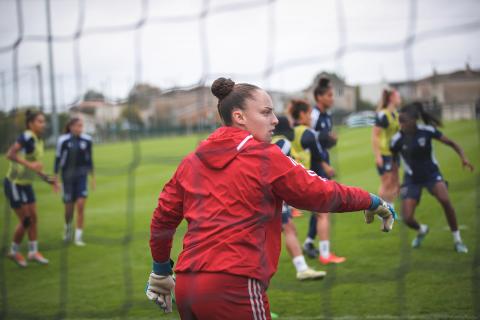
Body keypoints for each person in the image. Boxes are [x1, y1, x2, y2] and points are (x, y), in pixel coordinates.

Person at [145, 77, 396, 319]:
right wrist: (371, 200)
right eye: (266, 113)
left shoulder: (191, 161)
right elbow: (320, 194)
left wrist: (160, 270)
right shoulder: (264, 156)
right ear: (239, 117)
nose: (275, 120)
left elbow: (162, 220)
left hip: (187, 287)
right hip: (235, 284)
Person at [390, 102, 474, 252]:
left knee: (445, 200)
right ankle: (422, 230)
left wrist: (464, 158)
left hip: (431, 174)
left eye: (404, 120)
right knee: (407, 218)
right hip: (411, 179)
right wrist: (396, 183)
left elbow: (451, 143)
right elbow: (394, 162)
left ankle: (458, 240)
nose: (400, 124)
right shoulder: (396, 140)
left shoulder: (427, 131)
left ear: (414, 120)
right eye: (399, 120)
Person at [271, 115, 326, 281]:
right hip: (272, 194)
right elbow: (276, 168)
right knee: (287, 229)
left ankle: (301, 267)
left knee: (288, 229)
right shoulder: (283, 143)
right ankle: (302, 269)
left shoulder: (266, 142)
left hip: (270, 195)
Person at [4, 109, 57, 267]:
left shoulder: (38, 140)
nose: (43, 124)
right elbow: (10, 154)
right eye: (40, 121)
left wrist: (50, 180)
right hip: (14, 183)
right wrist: (30, 165)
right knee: (26, 220)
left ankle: (33, 252)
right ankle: (13, 251)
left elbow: (36, 168)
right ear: (30, 124)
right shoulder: (27, 136)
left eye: (44, 121)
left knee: (34, 219)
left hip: (27, 184)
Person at [303, 77, 345, 265]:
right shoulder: (314, 115)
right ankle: (323, 252)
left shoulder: (326, 115)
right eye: (329, 95)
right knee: (323, 206)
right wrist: (323, 164)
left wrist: (331, 139)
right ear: (319, 97)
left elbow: (322, 140)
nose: (332, 98)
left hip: (322, 161)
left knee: (320, 206)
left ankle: (310, 242)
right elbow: (308, 139)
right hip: (315, 164)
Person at [54, 117, 95, 246]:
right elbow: (58, 160)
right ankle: (67, 229)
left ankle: (78, 237)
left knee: (81, 205)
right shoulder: (63, 140)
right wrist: (56, 178)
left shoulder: (87, 140)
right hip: (68, 178)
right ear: (71, 127)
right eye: (77, 126)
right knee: (69, 209)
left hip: (82, 176)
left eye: (81, 126)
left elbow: (90, 160)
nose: (80, 129)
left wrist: (93, 178)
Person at [372, 89, 401, 206]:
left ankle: (390, 208)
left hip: (395, 154)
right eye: (398, 96)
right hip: (385, 154)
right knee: (386, 183)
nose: (400, 99)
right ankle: (382, 211)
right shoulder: (382, 115)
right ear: (391, 98)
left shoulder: (396, 114)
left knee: (395, 182)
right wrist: (378, 155)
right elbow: (375, 136)